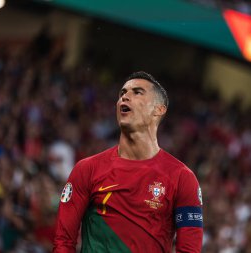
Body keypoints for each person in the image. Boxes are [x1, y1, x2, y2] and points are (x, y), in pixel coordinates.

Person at [53, 71, 204, 252]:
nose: (125, 96)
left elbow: (189, 250)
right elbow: (63, 242)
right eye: (122, 93)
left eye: (137, 92)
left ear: (159, 109)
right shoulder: (87, 169)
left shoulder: (182, 178)